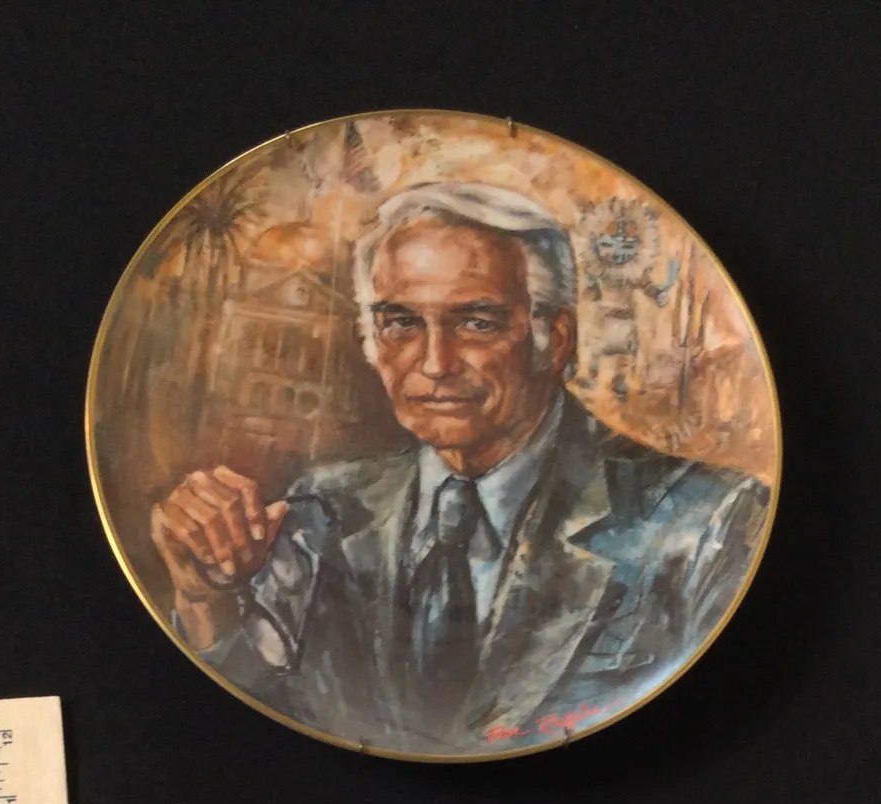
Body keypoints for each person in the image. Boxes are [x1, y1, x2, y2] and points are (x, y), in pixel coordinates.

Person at [150, 183, 769, 753]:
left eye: (476, 322)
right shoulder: (325, 505)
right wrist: (205, 597)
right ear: (371, 340)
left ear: (554, 339)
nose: (434, 363)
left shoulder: (708, 523)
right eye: (401, 323)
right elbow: (263, 718)